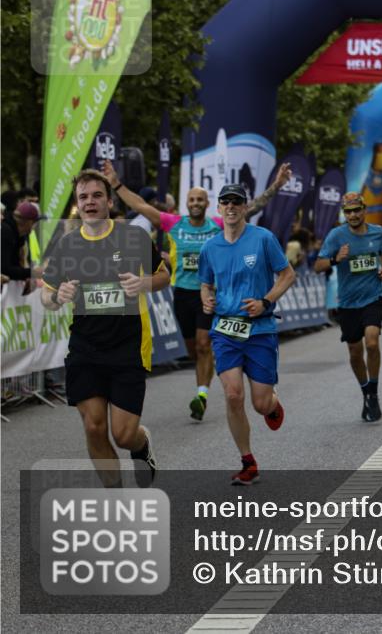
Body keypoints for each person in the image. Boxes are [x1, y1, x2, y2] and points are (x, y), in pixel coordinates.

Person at [107, 159, 290, 421]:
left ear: (207, 204)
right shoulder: (173, 224)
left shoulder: (218, 223)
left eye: (199, 200)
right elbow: (140, 206)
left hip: (210, 296)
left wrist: (276, 185)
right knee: (195, 349)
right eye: (191, 200)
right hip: (181, 293)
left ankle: (202, 394)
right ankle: (207, 374)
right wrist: (116, 184)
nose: (195, 204)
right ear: (187, 204)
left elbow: (253, 205)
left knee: (205, 344)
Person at [41, 169, 170, 487]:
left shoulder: (133, 238)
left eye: (97, 195)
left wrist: (143, 283)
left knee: (123, 435)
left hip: (128, 345)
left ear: (109, 201)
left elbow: (164, 276)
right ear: (77, 204)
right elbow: (46, 296)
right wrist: (58, 295)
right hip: (85, 347)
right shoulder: (67, 245)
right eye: (83, 197)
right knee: (94, 427)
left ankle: (141, 445)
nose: (90, 202)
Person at [199, 184, 296, 485]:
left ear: (245, 208)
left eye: (236, 203)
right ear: (219, 208)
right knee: (232, 395)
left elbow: (288, 274)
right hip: (225, 329)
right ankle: (247, 460)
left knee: (260, 404)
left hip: (260, 329)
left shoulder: (263, 239)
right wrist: (206, 297)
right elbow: (205, 283)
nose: (230, 207)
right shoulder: (209, 247)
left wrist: (266, 301)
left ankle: (272, 404)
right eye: (225, 202)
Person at [314, 192, 382, 422]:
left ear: (364, 210)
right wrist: (336, 259)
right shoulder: (336, 235)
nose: (353, 215)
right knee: (355, 353)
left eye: (357, 210)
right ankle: (366, 391)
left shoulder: (376, 232)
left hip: (373, 297)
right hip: (347, 303)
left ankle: (374, 393)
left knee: (373, 340)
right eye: (348, 211)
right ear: (344, 214)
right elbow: (318, 266)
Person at [1, 202, 42, 284]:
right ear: (29, 222)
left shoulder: (19, 236)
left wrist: (25, 276)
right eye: (36, 223)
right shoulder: (6, 232)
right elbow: (5, 269)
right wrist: (32, 273)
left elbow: (14, 265)